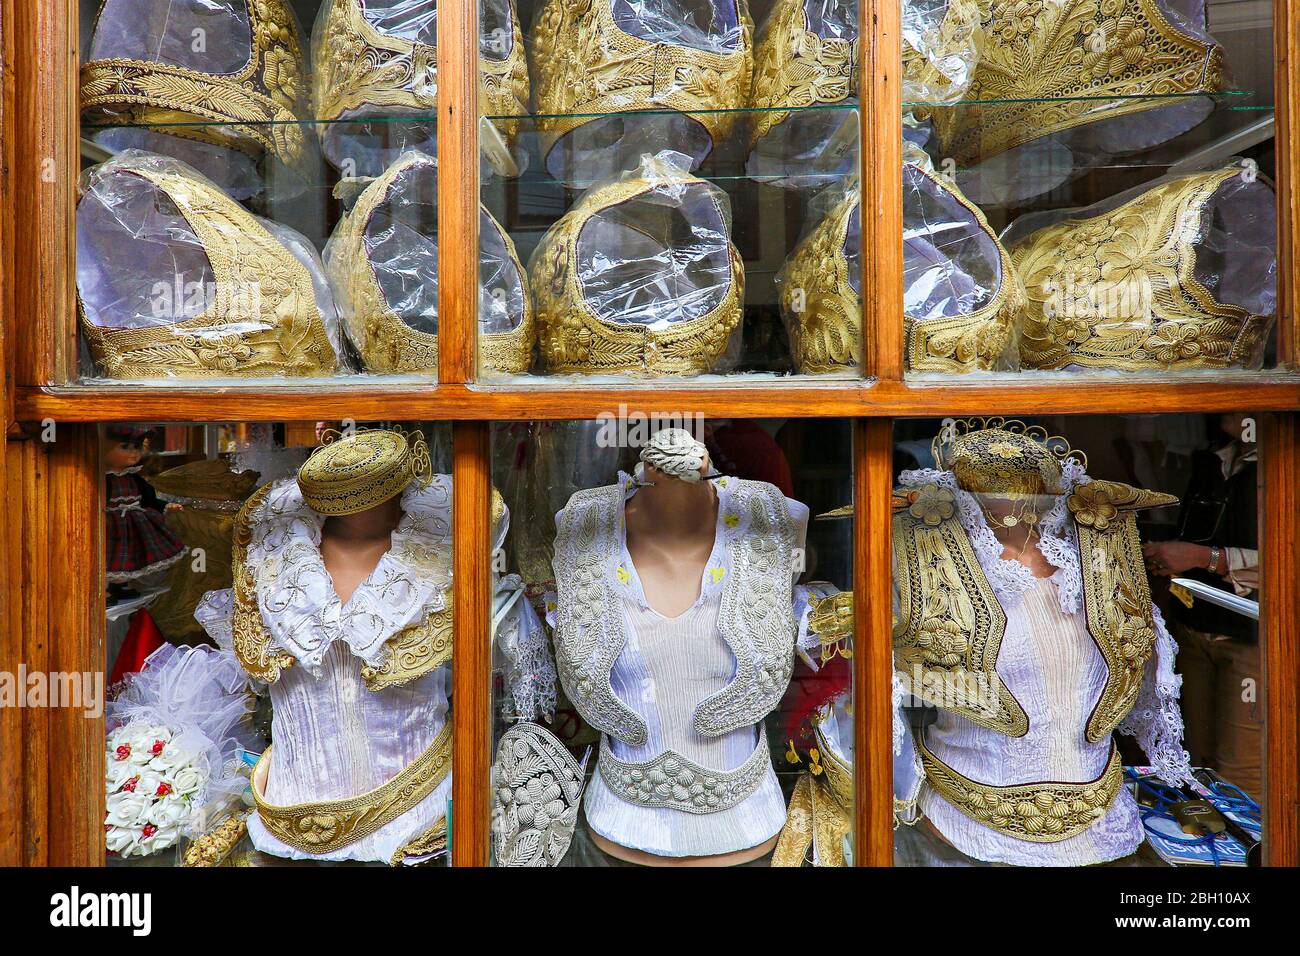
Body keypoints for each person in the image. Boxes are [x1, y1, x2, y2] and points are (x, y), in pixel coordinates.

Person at [1143, 414, 1262, 797]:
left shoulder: (1281, 466)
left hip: (1251, 638)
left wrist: (1201, 557)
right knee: (1197, 763)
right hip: (1194, 630)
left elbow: (1285, 557)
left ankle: (1248, 855)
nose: (1226, 409)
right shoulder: (1214, 460)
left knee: (1239, 772)